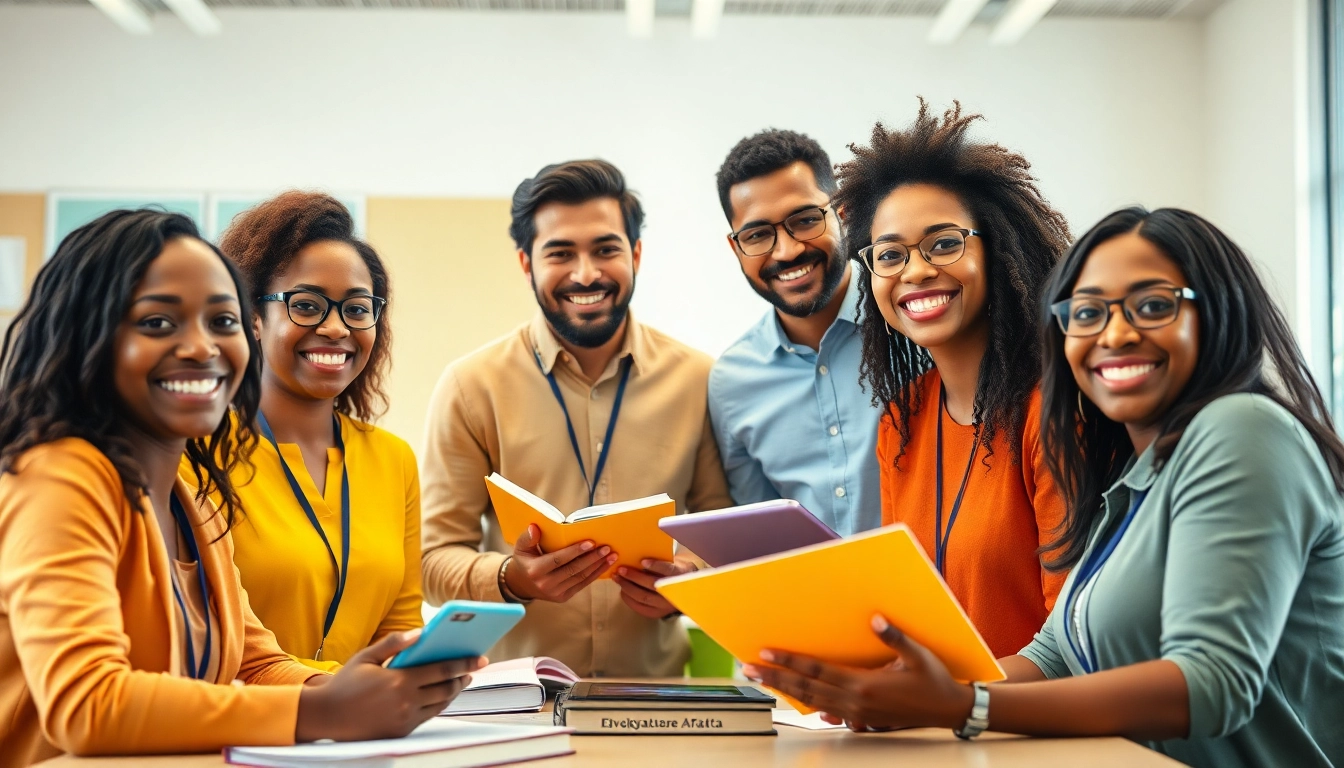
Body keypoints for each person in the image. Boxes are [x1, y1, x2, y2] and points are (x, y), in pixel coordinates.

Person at [745, 207, 1344, 768]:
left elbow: (1210, 682)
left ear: (1217, 313)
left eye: (1153, 306)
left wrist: (961, 706)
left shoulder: (1241, 429)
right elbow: (1054, 656)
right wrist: (896, 696)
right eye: (1087, 313)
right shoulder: (1133, 487)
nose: (1115, 334)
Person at [0, 210, 481, 768]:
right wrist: (323, 713)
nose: (203, 347)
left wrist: (375, 692)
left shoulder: (195, 500)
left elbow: (254, 667)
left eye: (222, 321)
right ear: (90, 335)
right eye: (159, 323)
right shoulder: (58, 476)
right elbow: (86, 704)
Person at [420, 159, 733, 677]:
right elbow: (432, 559)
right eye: (560, 253)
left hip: (654, 707)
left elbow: (724, 535)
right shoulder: (470, 387)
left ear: (635, 253)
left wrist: (685, 585)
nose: (586, 274)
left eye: (606, 250)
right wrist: (510, 578)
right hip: (519, 705)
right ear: (526, 264)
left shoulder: (700, 380)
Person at [838, 101, 1073, 656]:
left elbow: (1076, 646)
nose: (916, 271)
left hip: (1042, 730)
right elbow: (909, 610)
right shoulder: (902, 420)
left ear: (999, 249)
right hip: (940, 731)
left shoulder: (1056, 410)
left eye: (944, 243)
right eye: (890, 255)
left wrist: (954, 700)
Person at [210, 192, 422, 668]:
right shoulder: (196, 455)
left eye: (357, 308)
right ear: (254, 318)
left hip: (364, 733)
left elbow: (403, 629)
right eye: (306, 305)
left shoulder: (394, 460)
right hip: (238, 730)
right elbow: (203, 638)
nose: (335, 328)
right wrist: (337, 690)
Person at [708, 129, 882, 535]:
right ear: (736, 248)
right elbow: (762, 542)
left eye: (804, 220)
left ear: (843, 214)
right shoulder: (732, 383)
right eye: (757, 235)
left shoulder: (912, 326)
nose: (786, 251)